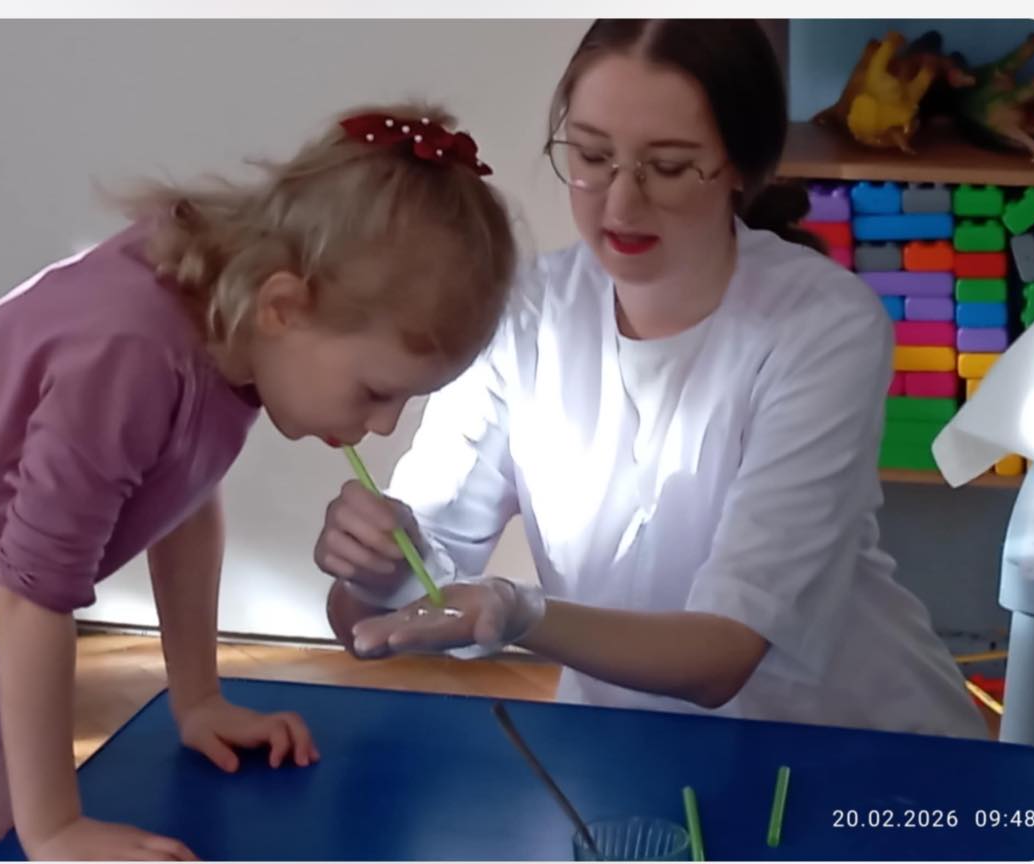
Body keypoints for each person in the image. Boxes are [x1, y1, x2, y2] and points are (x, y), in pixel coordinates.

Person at [315, 21, 988, 740]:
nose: (620, 205)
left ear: (740, 165)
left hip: (850, 742)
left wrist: (521, 612)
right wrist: (377, 572)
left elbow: (722, 654)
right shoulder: (524, 313)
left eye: (667, 167)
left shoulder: (822, 324)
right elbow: (385, 612)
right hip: (625, 747)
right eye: (592, 157)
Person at [0, 103, 517, 860]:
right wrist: (56, 827)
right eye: (378, 391)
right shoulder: (131, 351)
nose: (385, 426)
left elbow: (180, 499)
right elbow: (30, 593)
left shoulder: (235, 328)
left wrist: (198, 699)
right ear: (285, 306)